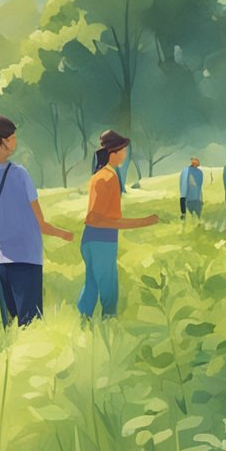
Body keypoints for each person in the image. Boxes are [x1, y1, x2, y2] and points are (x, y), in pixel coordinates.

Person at [0, 115, 74, 329]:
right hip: (28, 259)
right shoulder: (20, 174)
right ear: (3, 142)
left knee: (11, 328)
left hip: (1, 262)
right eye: (12, 137)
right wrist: (64, 234)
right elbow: (40, 223)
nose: (15, 141)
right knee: (31, 328)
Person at [77, 131, 159, 319]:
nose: (124, 154)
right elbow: (96, 218)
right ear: (113, 152)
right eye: (123, 150)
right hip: (102, 240)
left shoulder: (101, 175)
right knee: (108, 285)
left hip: (91, 239)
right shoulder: (107, 177)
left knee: (92, 283)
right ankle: (108, 323)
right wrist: (144, 222)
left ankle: (84, 323)